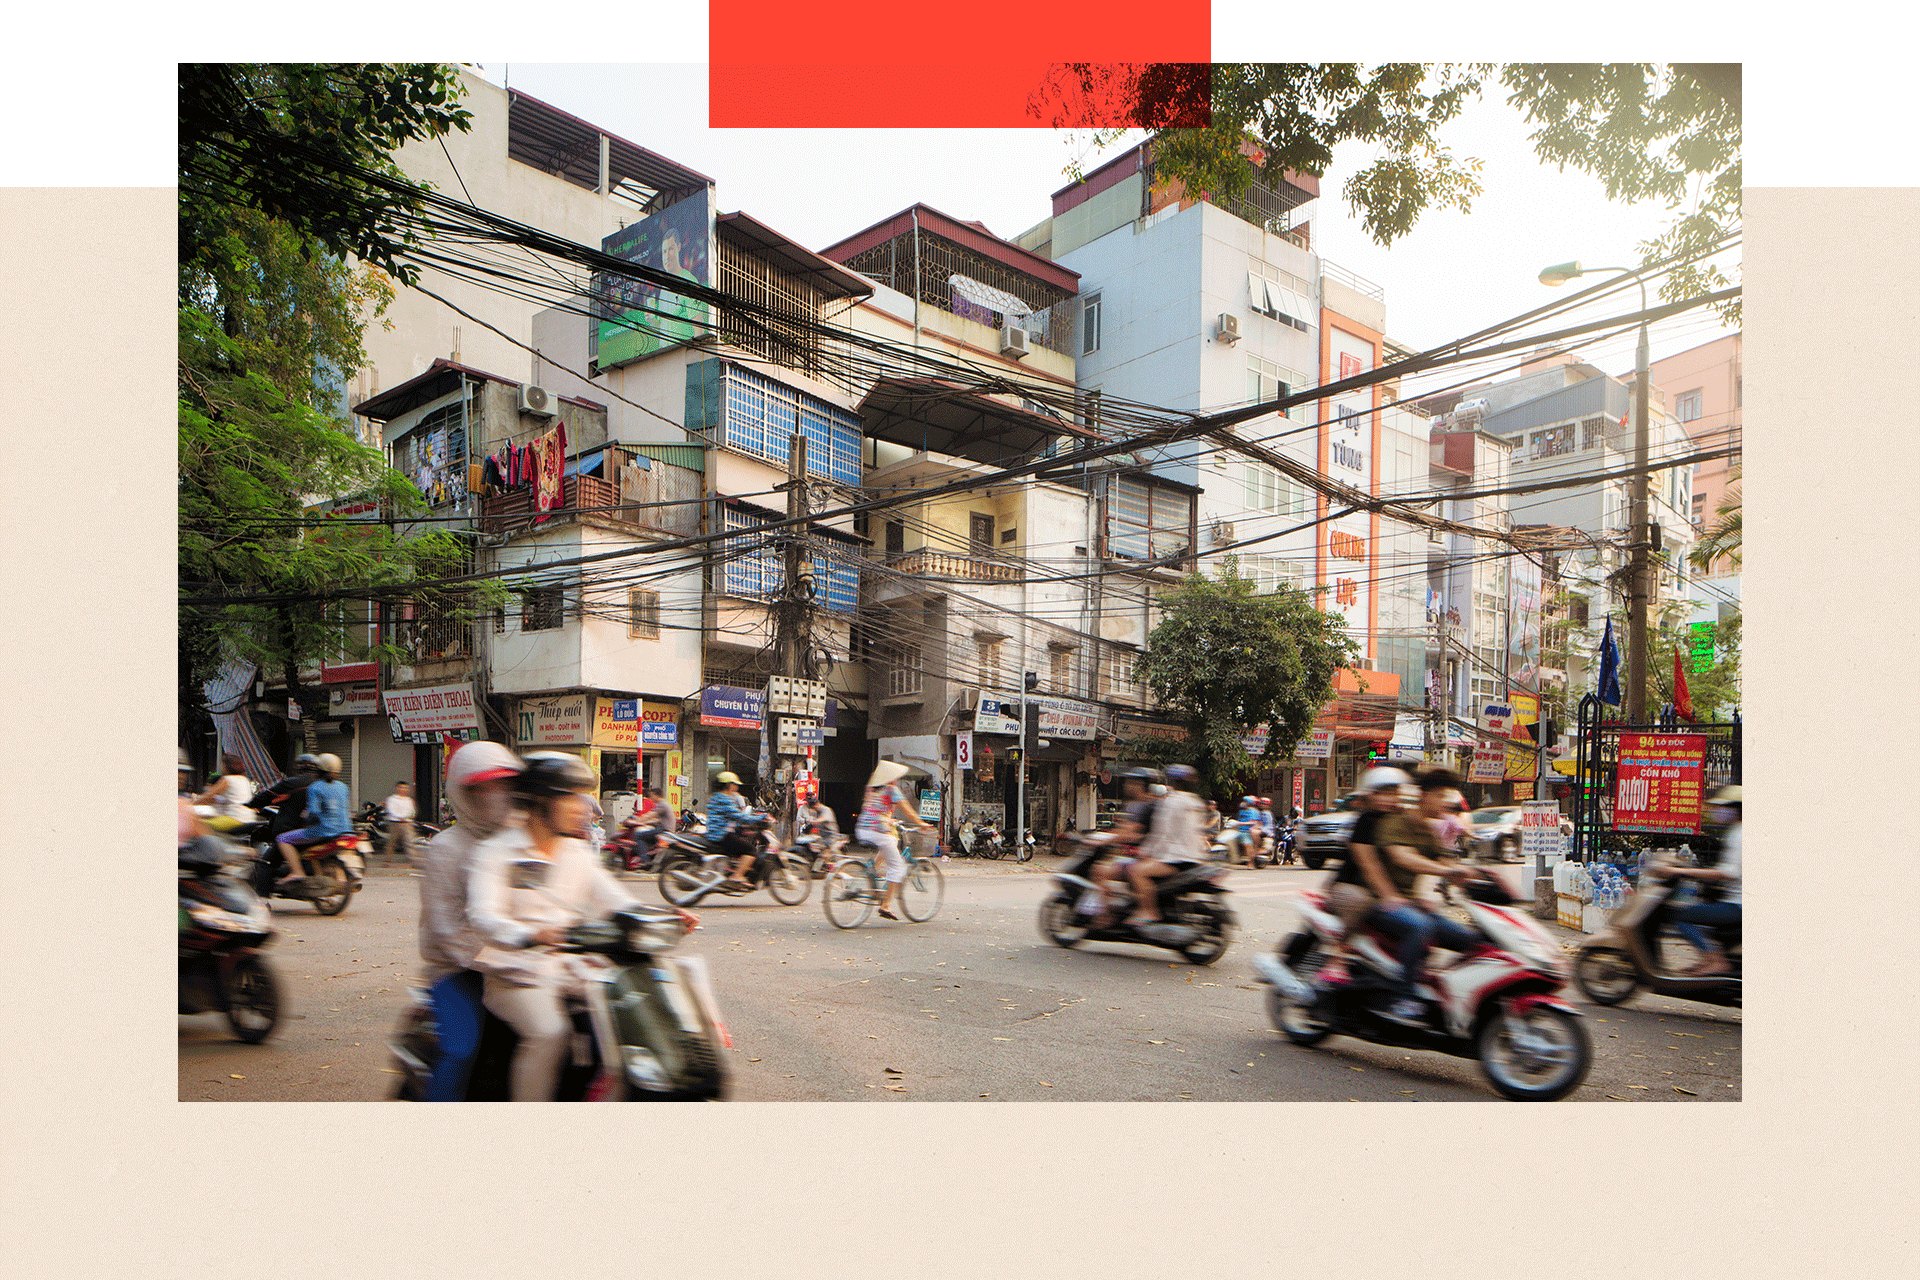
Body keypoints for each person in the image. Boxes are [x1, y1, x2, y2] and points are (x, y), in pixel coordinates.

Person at [466, 752, 667, 1102]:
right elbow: (483, 916)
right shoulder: (496, 852)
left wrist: (663, 918)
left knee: (632, 1027)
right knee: (550, 1032)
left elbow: (619, 902)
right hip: (516, 973)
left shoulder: (577, 853)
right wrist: (529, 934)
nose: (582, 808)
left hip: (573, 967)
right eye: (570, 798)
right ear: (539, 802)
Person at [415, 742, 524, 1101]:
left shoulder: (521, 842)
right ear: (462, 793)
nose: (495, 795)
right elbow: (447, 929)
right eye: (482, 787)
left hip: (522, 963)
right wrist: (492, 960)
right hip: (459, 971)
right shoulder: (446, 848)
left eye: (504, 785)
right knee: (461, 1048)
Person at [1367, 767, 1483, 1025]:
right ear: (1424, 796)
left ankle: (1446, 993)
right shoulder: (1396, 821)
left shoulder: (1429, 831)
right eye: (1441, 795)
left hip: (1410, 904)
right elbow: (1404, 857)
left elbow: (1445, 859)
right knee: (1420, 926)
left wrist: (1477, 874)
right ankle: (1403, 999)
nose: (1447, 802)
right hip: (1381, 902)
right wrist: (1446, 869)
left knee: (1469, 939)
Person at [1656, 785, 1742, 975]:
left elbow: (1728, 873)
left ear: (1736, 809)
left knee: (1678, 915)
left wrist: (1681, 872)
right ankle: (1708, 958)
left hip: (1737, 906)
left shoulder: (1739, 835)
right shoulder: (1735, 832)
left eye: (1724, 807)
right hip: (1732, 901)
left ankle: (1715, 960)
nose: (1719, 811)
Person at [1126, 763, 1209, 926]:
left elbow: (1161, 832)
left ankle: (1148, 911)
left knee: (1135, 871)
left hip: (1176, 859)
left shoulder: (1170, 802)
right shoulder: (1196, 801)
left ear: (1169, 781)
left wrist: (1145, 851)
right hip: (1196, 857)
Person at [856, 760, 933, 921]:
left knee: (891, 842)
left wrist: (889, 820)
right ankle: (885, 905)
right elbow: (908, 812)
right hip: (878, 831)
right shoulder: (891, 789)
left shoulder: (871, 788)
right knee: (897, 867)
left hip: (862, 829)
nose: (897, 780)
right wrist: (922, 824)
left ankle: (872, 869)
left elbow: (874, 810)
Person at [1088, 769, 1159, 927]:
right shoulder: (1140, 804)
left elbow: (1131, 832)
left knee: (1099, 871)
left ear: (1138, 785)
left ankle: (1105, 917)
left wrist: (1103, 840)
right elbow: (1125, 829)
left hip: (1145, 857)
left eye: (1130, 782)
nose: (1126, 785)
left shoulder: (1145, 805)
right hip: (1141, 855)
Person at [274, 753, 352, 889]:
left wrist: (305, 820)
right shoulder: (343, 787)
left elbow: (313, 813)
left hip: (323, 831)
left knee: (282, 839)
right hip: (345, 830)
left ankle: (297, 872)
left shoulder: (315, 787)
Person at [708, 772, 761, 889]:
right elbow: (739, 816)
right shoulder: (724, 799)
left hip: (714, 833)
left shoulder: (715, 797)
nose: (736, 787)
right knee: (751, 850)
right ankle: (736, 876)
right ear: (729, 785)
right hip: (721, 835)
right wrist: (760, 818)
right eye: (734, 784)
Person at [194, 753, 256, 829]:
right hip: (250, 820)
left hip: (233, 820)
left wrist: (191, 803)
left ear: (225, 767)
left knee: (196, 824)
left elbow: (209, 795)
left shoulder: (226, 779)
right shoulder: (245, 780)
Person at [383, 781, 418, 864]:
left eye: (405, 788)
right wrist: (400, 817)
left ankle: (413, 860)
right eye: (401, 787)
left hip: (407, 823)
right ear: (397, 788)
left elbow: (412, 811)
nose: (403, 790)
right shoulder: (392, 799)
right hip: (395, 823)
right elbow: (391, 810)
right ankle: (387, 860)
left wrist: (409, 817)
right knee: (392, 842)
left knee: (409, 842)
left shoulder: (409, 800)